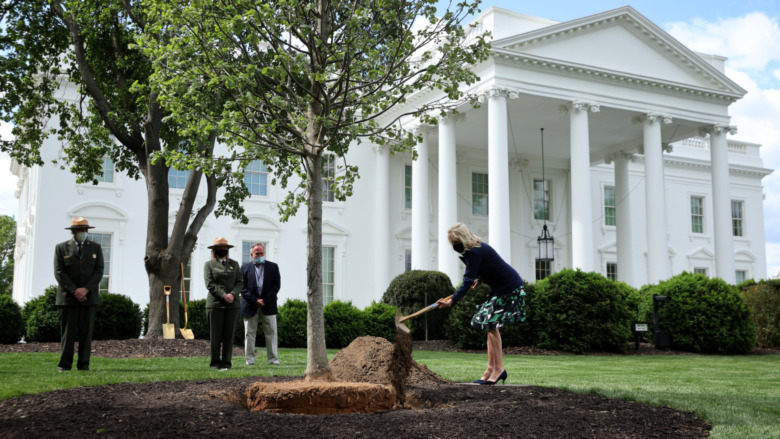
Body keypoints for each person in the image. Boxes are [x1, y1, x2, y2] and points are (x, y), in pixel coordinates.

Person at [436, 223, 526, 385]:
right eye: (452, 243)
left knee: (489, 322)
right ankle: (491, 369)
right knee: (488, 324)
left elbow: (466, 281)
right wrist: (479, 278)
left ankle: (498, 369)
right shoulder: (477, 249)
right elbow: (489, 267)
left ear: (462, 239)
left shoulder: (474, 252)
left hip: (509, 287)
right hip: (501, 286)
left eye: (455, 241)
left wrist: (451, 301)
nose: (454, 246)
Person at [53, 217, 104, 372]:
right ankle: (64, 365)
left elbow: (99, 271)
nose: (84, 232)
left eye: (85, 229)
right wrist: (75, 290)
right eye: (81, 230)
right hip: (68, 299)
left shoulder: (95, 247)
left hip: (89, 299)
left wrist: (85, 289)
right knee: (67, 334)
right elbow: (59, 272)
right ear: (73, 231)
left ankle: (84, 365)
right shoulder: (61, 248)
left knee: (86, 334)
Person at [204, 237, 242, 371]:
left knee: (229, 335)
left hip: (233, 305)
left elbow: (239, 282)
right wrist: (223, 295)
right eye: (220, 248)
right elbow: (210, 284)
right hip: (215, 304)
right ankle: (215, 362)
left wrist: (232, 294)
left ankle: (226, 363)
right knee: (215, 335)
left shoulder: (234, 264)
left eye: (225, 248)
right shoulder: (209, 265)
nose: (223, 250)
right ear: (215, 249)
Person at [240, 243, 281, 365]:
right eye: (257, 253)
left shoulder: (273, 267)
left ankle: (273, 360)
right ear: (252, 254)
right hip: (250, 305)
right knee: (249, 334)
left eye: (261, 253)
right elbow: (242, 288)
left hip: (268, 305)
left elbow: (276, 286)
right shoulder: (244, 268)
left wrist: (264, 300)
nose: (259, 255)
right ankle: (249, 360)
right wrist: (254, 300)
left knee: (271, 333)